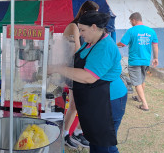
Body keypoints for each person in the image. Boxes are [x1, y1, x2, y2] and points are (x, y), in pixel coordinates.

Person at [49, 11, 128, 152]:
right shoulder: (91, 42)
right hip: (97, 100)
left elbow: (88, 76)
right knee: (95, 141)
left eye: (82, 30)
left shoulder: (105, 47)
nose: (80, 33)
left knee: (104, 146)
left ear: (94, 27)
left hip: (109, 102)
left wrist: (58, 68)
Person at [62, 1, 99, 148]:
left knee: (82, 104)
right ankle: (67, 134)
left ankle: (77, 132)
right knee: (75, 105)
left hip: (77, 69)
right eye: (94, 13)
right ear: (86, 13)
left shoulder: (82, 27)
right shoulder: (74, 26)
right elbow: (79, 52)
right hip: (72, 70)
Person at [117, 12, 158, 111]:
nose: (131, 23)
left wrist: (114, 44)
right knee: (142, 80)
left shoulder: (131, 31)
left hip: (135, 61)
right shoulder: (151, 31)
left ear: (133, 20)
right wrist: (156, 58)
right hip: (145, 60)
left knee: (137, 82)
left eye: (131, 21)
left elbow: (122, 44)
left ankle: (145, 105)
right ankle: (139, 98)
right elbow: (155, 45)